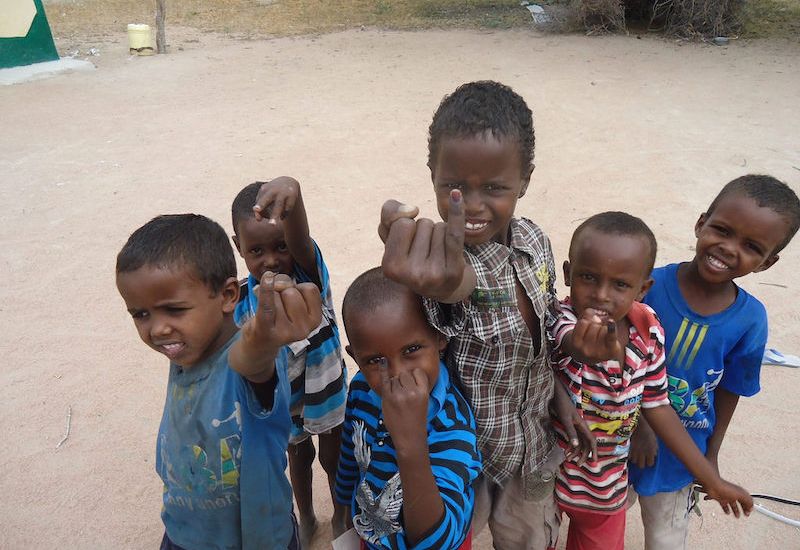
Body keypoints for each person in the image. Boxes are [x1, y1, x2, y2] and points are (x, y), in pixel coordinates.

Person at [378, 80, 593, 550]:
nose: (472, 205)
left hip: (531, 448)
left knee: (528, 538)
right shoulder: (443, 259)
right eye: (453, 186)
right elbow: (454, 284)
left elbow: (538, 347)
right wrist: (424, 265)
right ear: (432, 173)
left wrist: (561, 398)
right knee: (453, 538)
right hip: (463, 455)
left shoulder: (535, 243)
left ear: (526, 180)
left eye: (494, 188)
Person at [115, 213, 323, 549]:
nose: (157, 328)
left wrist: (263, 340)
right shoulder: (187, 349)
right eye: (141, 314)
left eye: (174, 310)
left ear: (228, 295)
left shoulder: (254, 363)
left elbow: (250, 362)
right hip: (182, 534)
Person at [551, 211, 754, 550]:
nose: (601, 294)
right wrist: (583, 349)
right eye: (588, 277)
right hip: (546, 480)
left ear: (642, 289)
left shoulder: (650, 330)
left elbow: (658, 404)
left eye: (620, 285)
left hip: (606, 485)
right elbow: (567, 342)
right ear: (569, 274)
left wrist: (710, 479)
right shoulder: (561, 318)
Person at [628, 174, 800, 549]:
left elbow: (729, 390)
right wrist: (639, 425)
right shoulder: (645, 287)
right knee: (597, 522)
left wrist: (710, 458)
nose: (727, 248)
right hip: (617, 436)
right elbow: (611, 364)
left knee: (666, 539)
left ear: (767, 263)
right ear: (701, 222)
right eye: (721, 229)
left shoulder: (750, 320)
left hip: (679, 457)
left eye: (751, 246)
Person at [231, 177, 349, 544]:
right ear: (239, 247)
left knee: (334, 457)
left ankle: (342, 516)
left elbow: (299, 238)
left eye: (280, 246)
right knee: (298, 458)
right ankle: (309, 518)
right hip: (286, 398)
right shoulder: (243, 300)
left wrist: (293, 197)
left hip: (326, 389)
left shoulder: (305, 272)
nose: (270, 260)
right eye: (256, 251)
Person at [334, 267, 481, 549]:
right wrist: (342, 510)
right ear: (355, 356)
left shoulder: (451, 424)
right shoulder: (362, 388)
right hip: (373, 536)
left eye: (412, 350)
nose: (397, 374)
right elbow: (350, 454)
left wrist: (410, 443)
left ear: (440, 337)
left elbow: (438, 542)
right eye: (375, 360)